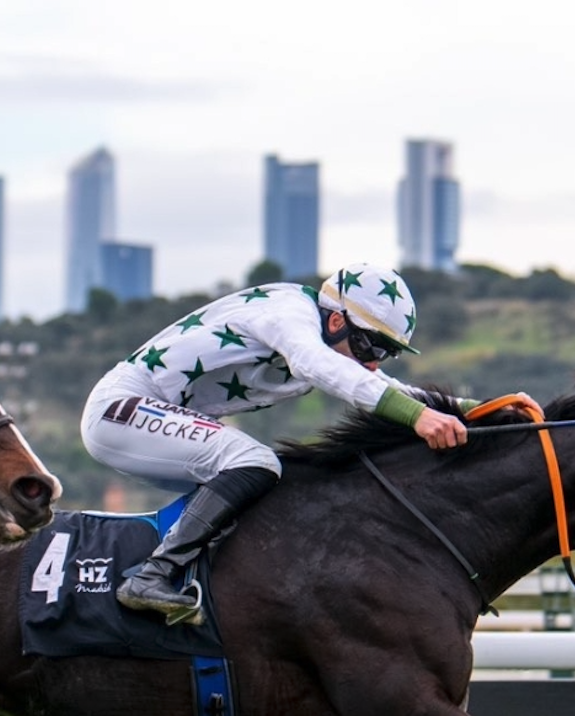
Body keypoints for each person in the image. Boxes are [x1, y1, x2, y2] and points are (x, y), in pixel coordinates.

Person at [80, 263, 468, 625]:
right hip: (121, 408)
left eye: (388, 353)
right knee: (256, 462)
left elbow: (387, 387)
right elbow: (321, 366)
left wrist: (479, 410)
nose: (373, 364)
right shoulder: (290, 314)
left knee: (270, 490)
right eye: (371, 348)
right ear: (336, 320)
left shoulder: (322, 332)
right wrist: (417, 417)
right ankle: (152, 576)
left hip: (156, 412)